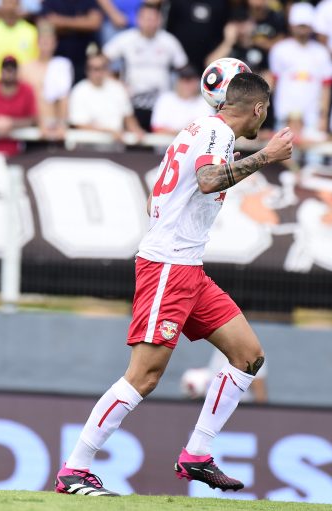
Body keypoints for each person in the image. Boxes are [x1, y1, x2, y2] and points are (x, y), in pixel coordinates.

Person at [55, 72, 293, 496]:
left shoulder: (198, 128)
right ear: (257, 109)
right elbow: (207, 180)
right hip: (168, 267)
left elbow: (155, 199)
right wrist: (266, 156)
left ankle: (197, 453)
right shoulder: (218, 133)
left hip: (188, 267)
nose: (266, 118)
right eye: (266, 110)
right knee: (143, 376)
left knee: (248, 357)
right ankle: (75, 468)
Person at [103, 3, 188, 131]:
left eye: (154, 19)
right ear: (138, 19)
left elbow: (183, 68)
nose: (150, 23)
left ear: (160, 20)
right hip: (131, 102)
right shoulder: (126, 39)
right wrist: (115, 81)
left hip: (160, 104)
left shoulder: (169, 41)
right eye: (147, 19)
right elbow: (101, 60)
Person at [268, 2, 332, 133]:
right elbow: (272, 83)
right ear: (291, 25)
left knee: (314, 153)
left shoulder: (321, 52)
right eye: (299, 26)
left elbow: (326, 86)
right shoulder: (279, 49)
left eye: (305, 26)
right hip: (284, 116)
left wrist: (323, 117)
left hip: (312, 118)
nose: (302, 30)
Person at [67, 52, 144, 141]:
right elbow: (79, 125)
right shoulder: (79, 91)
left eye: (102, 68)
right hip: (87, 144)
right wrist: (108, 132)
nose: (99, 73)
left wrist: (137, 131)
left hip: (117, 143)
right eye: (95, 69)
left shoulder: (117, 88)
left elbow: (128, 117)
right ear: (87, 70)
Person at [0, 0, 38, 82]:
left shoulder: (32, 32)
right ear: (1, 6)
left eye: (13, 3)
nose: (10, 7)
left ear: (19, 6)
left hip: (22, 87)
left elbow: (37, 63)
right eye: (7, 3)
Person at [150, 65, 214, 135]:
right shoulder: (165, 99)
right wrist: (186, 132)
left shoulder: (205, 102)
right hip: (167, 145)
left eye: (191, 81)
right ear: (177, 81)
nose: (186, 85)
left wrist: (179, 132)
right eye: (183, 80)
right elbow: (157, 129)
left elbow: (209, 131)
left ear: (198, 82)